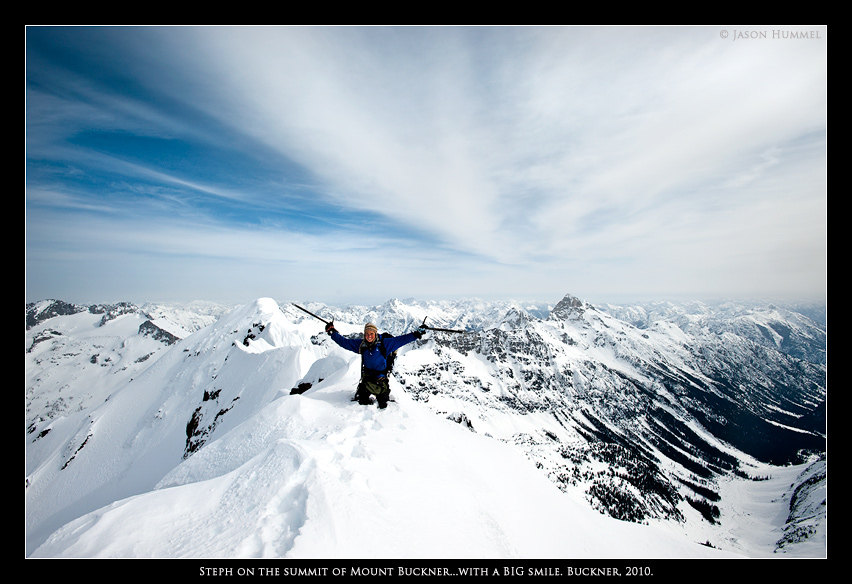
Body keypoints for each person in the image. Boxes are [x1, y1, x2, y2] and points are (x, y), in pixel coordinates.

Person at [325, 321, 426, 408]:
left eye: (371, 334)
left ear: (375, 333)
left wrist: (416, 334)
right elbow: (345, 342)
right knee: (362, 401)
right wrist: (333, 332)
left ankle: (384, 394)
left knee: (383, 404)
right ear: (364, 334)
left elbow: (401, 340)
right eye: (367, 334)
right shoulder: (361, 345)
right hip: (367, 377)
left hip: (381, 377)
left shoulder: (384, 344)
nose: (369, 336)